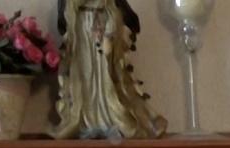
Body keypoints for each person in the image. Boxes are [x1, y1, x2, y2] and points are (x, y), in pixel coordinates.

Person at [53, 0, 166, 139]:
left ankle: (110, 119)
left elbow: (114, 9)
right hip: (81, 30)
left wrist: (110, 32)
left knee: (106, 78)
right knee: (86, 80)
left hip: (102, 24)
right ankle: (88, 121)